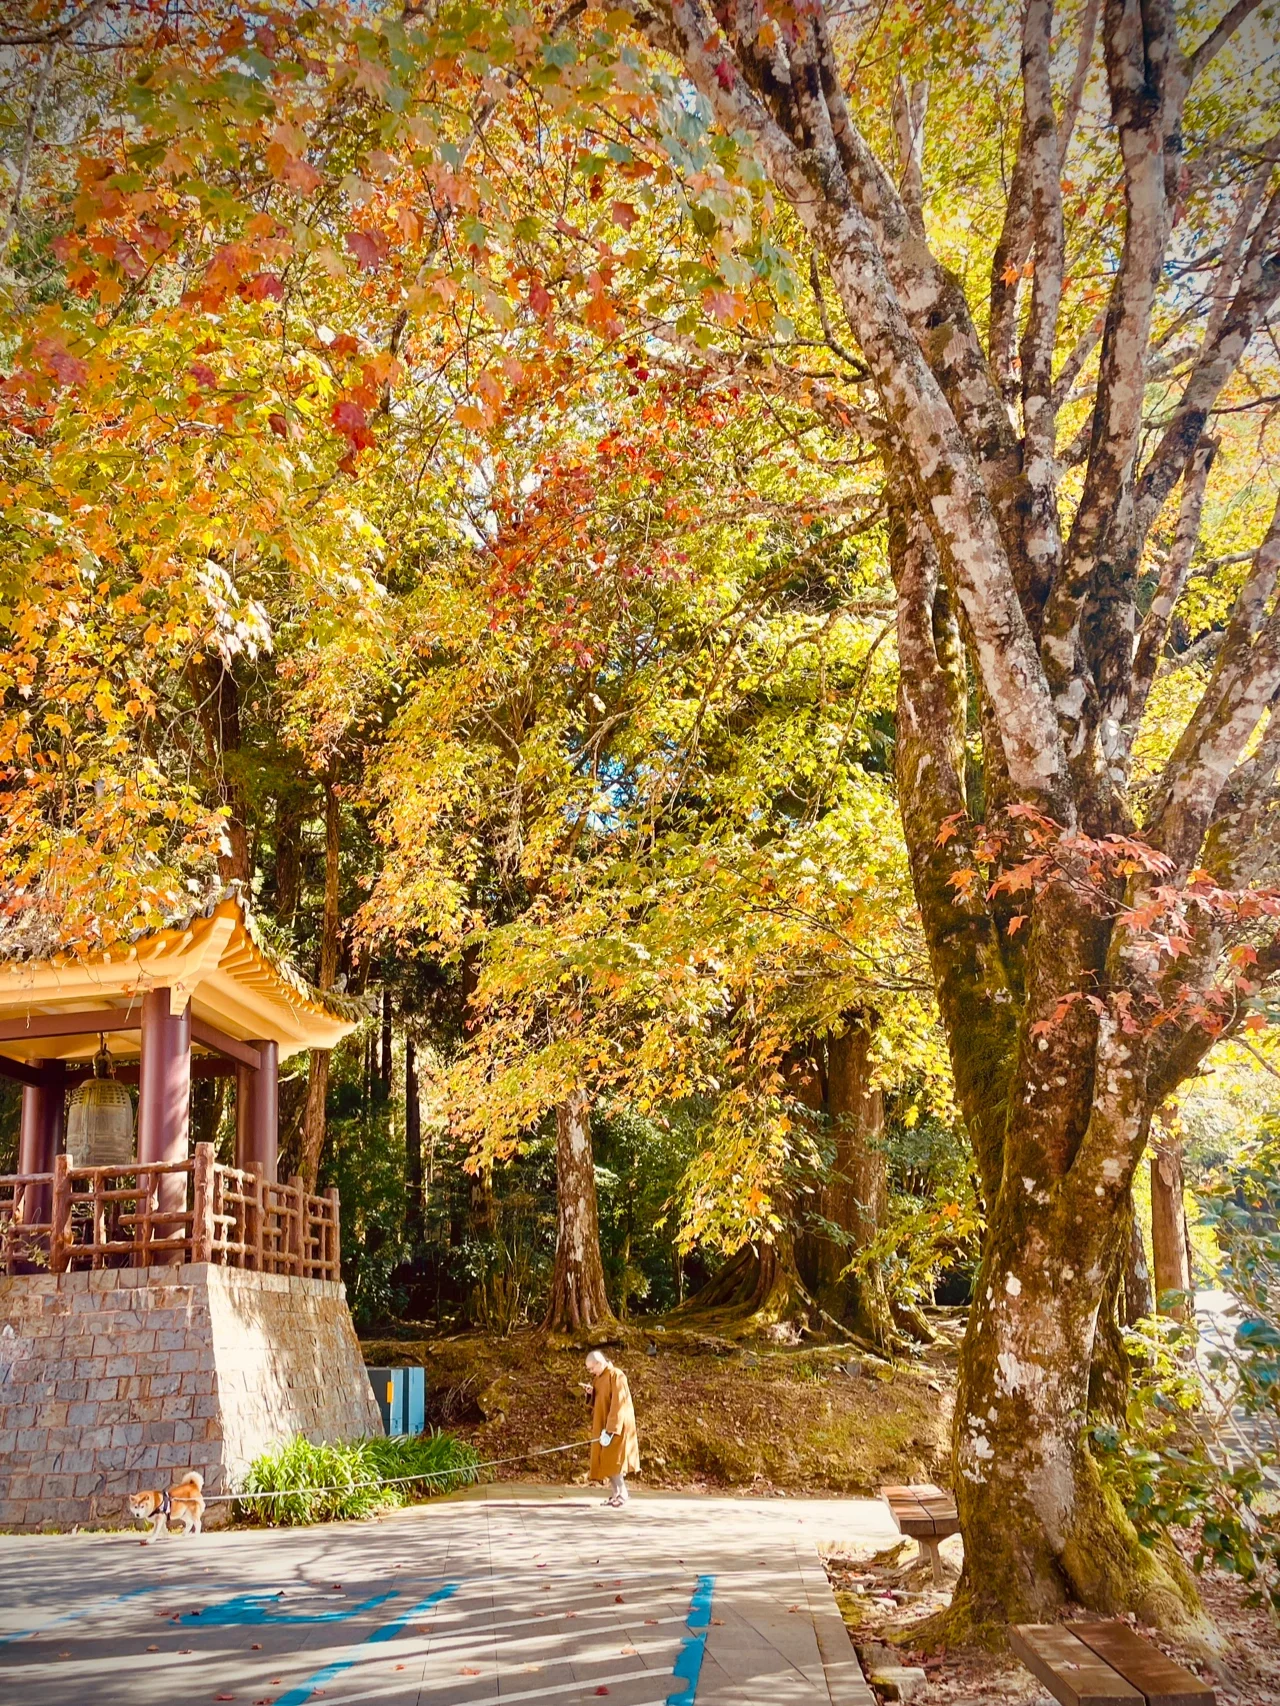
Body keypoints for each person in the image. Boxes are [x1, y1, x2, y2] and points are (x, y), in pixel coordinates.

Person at [584, 1349, 639, 1508]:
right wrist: (590, 1393)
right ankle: (615, 1494)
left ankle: (623, 1493)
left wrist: (611, 1429)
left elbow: (618, 1404)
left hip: (616, 1426)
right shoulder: (598, 1378)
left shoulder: (617, 1376)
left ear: (600, 1363)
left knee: (614, 1460)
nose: (591, 1372)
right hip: (602, 1424)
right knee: (604, 1459)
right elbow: (598, 1401)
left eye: (592, 1368)